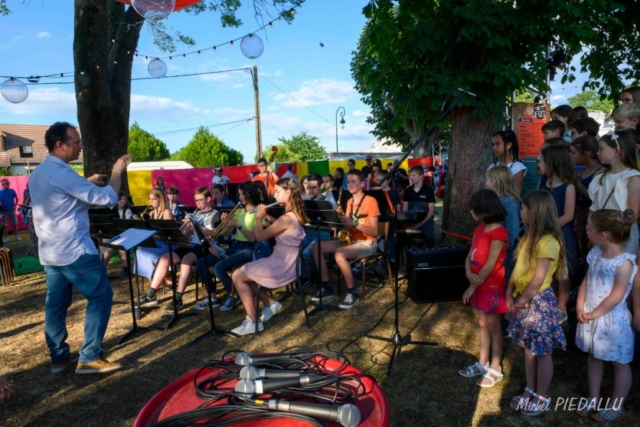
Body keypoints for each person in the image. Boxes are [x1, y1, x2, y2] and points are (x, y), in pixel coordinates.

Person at [30, 121, 132, 374]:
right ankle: (89, 356)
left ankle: (59, 357)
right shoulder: (63, 173)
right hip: (74, 251)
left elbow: (60, 198)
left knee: (56, 304)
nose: (81, 147)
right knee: (100, 296)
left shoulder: (39, 172)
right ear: (59, 145)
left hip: (51, 253)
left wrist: (86, 182)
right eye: (76, 142)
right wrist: (117, 170)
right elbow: (108, 199)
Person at [507, 190, 567, 416]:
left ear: (536, 212)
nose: (520, 211)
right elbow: (518, 268)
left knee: (541, 351)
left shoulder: (548, 242)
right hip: (525, 300)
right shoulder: (527, 238)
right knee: (529, 350)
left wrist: (521, 300)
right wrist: (508, 292)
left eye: (523, 208)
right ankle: (529, 389)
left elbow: (539, 278)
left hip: (538, 303)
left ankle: (541, 394)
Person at [575, 209, 637, 422]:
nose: (585, 230)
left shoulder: (624, 263)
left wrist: (593, 313)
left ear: (603, 235)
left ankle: (616, 406)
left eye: (589, 228)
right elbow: (587, 279)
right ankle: (594, 398)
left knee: (619, 362)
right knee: (594, 356)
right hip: (592, 314)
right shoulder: (595, 254)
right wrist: (580, 304)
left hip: (612, 320)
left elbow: (616, 296)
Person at [230, 178, 307, 335]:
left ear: (289, 192)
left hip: (284, 265)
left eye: (277, 191)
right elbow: (282, 227)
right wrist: (269, 219)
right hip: (283, 259)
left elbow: (259, 237)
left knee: (238, 276)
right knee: (244, 273)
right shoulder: (292, 214)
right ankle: (269, 303)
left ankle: (253, 322)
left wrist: (259, 217)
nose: (274, 195)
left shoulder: (286, 218)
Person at [139, 187, 219, 311]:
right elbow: (185, 234)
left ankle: (178, 297)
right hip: (192, 244)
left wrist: (196, 225)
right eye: (196, 200)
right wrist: (185, 227)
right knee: (165, 258)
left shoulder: (215, 214)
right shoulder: (196, 213)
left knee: (186, 260)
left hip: (206, 246)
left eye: (200, 200)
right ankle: (151, 294)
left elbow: (214, 234)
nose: (197, 203)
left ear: (208, 199)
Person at [458, 190, 508, 388]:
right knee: (483, 324)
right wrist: (469, 272)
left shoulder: (499, 234)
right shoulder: (479, 230)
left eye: (474, 209)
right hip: (479, 285)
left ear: (485, 210)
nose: (471, 211)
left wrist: (472, 285)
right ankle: (482, 361)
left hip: (491, 288)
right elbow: (470, 255)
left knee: (494, 327)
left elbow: (490, 265)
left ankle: (495, 367)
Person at [311, 169, 380, 309]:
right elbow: (347, 226)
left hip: (367, 242)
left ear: (362, 183)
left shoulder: (371, 201)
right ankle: (326, 287)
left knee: (340, 253)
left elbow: (374, 231)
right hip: (351, 240)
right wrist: (337, 222)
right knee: (316, 247)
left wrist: (354, 223)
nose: (350, 184)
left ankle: (352, 293)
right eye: (348, 181)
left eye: (354, 181)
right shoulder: (348, 202)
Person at [193, 182, 260, 311]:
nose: (239, 198)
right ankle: (213, 297)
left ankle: (233, 294)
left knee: (218, 267)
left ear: (249, 194)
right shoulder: (240, 211)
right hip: (236, 245)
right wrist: (227, 224)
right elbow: (228, 234)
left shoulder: (257, 213)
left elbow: (254, 238)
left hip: (249, 248)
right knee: (202, 262)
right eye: (239, 195)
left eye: (241, 195)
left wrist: (237, 225)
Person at [538, 144, 581, 323]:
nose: (538, 163)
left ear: (552, 162)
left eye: (541, 160)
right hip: (544, 234)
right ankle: (551, 304)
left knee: (563, 273)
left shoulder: (568, 187)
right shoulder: (543, 183)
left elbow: (568, 215)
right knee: (550, 271)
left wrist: (549, 226)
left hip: (561, 235)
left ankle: (561, 309)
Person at [588, 130, 640, 255]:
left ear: (616, 151)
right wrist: (590, 229)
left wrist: (612, 230)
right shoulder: (600, 176)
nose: (597, 153)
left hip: (621, 235)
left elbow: (633, 214)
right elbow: (594, 207)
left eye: (601, 149)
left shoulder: (632, 177)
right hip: (599, 232)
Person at [570, 136, 604, 272]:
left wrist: (577, 183)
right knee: (579, 248)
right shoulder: (581, 171)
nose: (571, 156)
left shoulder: (600, 172)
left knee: (589, 248)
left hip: (591, 215)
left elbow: (594, 197)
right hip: (578, 213)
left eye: (573, 153)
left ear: (586, 154)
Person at [485, 166, 520, 283]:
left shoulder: (509, 203)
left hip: (505, 254)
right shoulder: (496, 201)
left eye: (488, 180)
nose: (485, 183)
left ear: (495, 182)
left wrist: (506, 252)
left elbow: (513, 232)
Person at [300, 174, 333, 279]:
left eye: (314, 187)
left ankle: (317, 272)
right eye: (309, 187)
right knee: (295, 249)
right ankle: (304, 276)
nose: (311, 190)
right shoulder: (307, 201)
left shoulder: (327, 203)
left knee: (306, 253)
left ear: (321, 186)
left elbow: (331, 227)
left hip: (322, 235)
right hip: (309, 233)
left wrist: (316, 225)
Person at [402, 165, 436, 248]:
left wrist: (420, 224)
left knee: (430, 237)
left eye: (413, 175)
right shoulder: (407, 191)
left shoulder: (428, 190)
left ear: (421, 176)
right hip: (411, 219)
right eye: (410, 175)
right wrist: (404, 221)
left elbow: (431, 212)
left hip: (426, 220)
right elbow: (405, 209)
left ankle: (430, 253)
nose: (411, 178)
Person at [487, 130, 527, 195]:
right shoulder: (492, 167)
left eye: (497, 144)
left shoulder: (517, 168)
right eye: (493, 144)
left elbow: (517, 194)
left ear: (508, 145)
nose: (494, 147)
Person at [101, 191, 133, 268]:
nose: (123, 201)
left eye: (125, 199)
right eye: (121, 199)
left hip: (122, 234)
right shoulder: (110, 211)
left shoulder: (128, 211)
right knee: (107, 249)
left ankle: (127, 269)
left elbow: (126, 225)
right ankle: (103, 268)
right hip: (110, 233)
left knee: (122, 249)